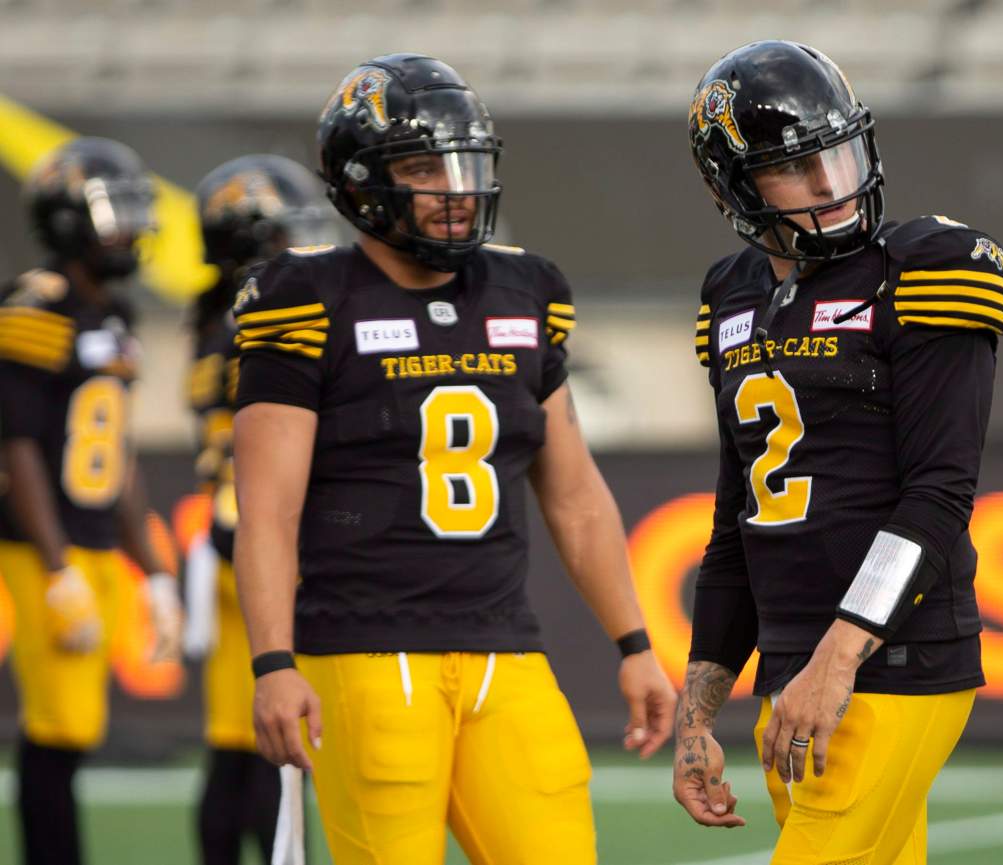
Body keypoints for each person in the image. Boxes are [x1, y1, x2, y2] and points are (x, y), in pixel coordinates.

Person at [231, 53, 676, 865]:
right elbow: (268, 508)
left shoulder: (526, 290)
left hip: (506, 647)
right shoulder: (305, 298)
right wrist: (271, 662)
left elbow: (574, 494)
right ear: (362, 180)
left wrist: (636, 642)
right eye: (422, 165)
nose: (455, 186)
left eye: (464, 162)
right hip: (367, 652)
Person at [673, 41, 1003, 865]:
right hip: (791, 663)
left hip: (892, 655)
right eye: (798, 169)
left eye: (838, 153)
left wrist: (838, 656)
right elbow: (737, 523)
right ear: (736, 188)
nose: (831, 184)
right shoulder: (732, 295)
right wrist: (695, 716)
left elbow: (938, 493)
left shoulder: (925, 267)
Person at [0, 137, 184, 865]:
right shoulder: (36, 303)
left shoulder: (117, 315)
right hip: (44, 542)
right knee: (58, 728)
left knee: (76, 728)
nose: (130, 232)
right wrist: (54, 565)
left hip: (96, 537)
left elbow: (119, 452)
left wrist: (157, 569)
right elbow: (14, 443)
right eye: (115, 215)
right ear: (69, 221)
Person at [186, 153, 337, 865]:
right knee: (273, 747)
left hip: (225, 528)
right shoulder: (258, 323)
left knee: (239, 740)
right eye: (282, 236)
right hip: (262, 534)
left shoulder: (214, 321)